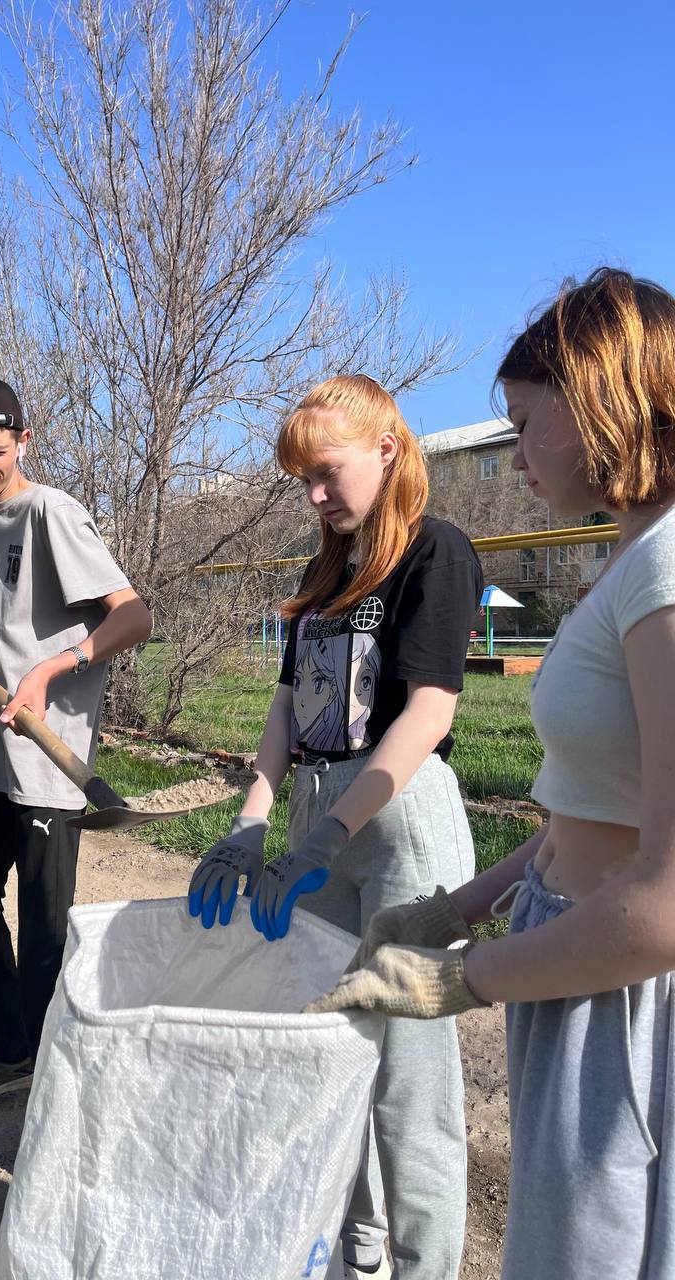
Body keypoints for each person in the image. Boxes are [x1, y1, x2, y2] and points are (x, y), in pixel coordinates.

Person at [308, 268, 675, 1280]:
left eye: (525, 421)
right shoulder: (634, 557)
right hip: (577, 962)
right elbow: (585, 813)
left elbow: (667, 894)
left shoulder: (667, 567)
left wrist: (458, 976)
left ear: (602, 396)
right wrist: (455, 906)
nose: (514, 456)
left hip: (624, 987)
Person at [188, 374, 483, 1280]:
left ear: (386, 450)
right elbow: (286, 709)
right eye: (302, 482)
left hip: (402, 826)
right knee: (334, 1056)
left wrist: (327, 838)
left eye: (327, 473)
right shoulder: (328, 571)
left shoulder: (436, 552)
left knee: (409, 1084)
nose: (315, 496)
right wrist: (254, 821)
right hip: (325, 816)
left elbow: (427, 711)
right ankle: (356, 1263)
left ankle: (425, 1267)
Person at [0, 375, 151, 1116]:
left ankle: (57, 1084)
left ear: (23, 440)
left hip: (49, 759)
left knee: (45, 937)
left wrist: (53, 667)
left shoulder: (53, 513)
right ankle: (14, 1050)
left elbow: (132, 615)